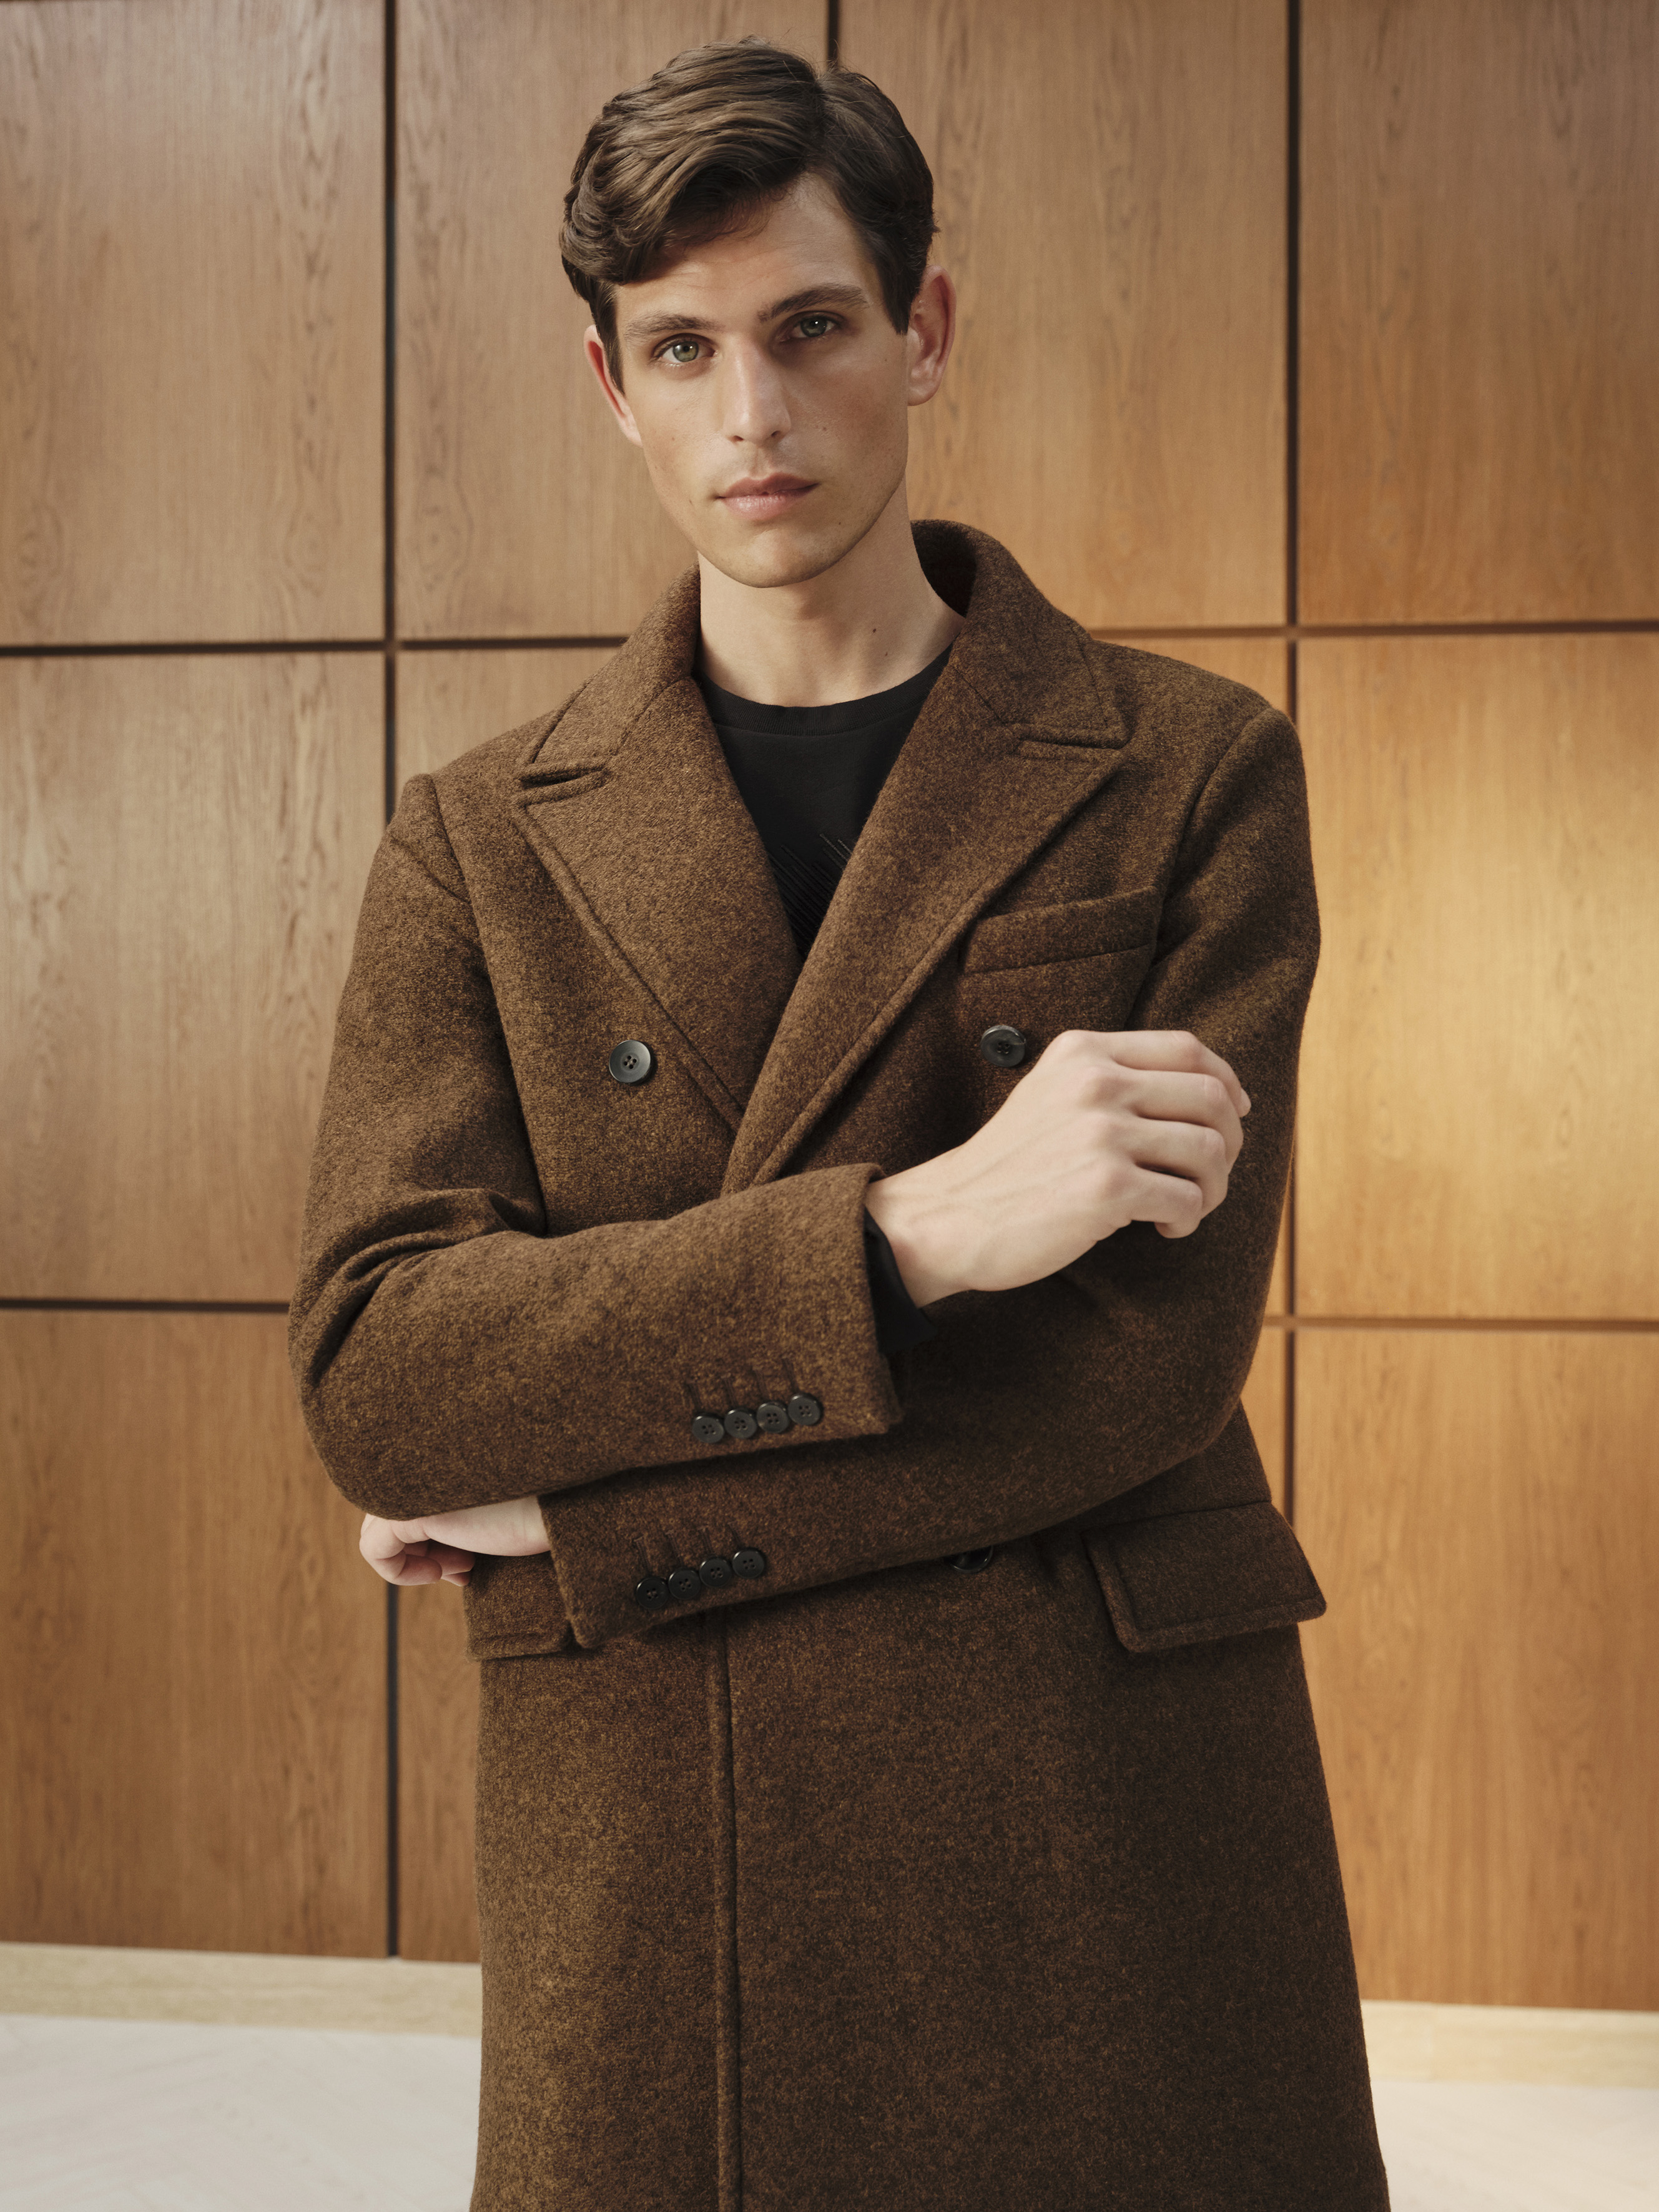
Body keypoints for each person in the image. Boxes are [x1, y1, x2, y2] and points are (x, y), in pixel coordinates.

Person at [290, 36, 1389, 2212]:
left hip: (1093, 1791)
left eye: (808, 328)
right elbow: (386, 1379)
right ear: (608, 384)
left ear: (923, 327)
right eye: (681, 349)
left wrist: (589, 1514)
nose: (752, 417)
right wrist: (910, 1238)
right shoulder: (481, 842)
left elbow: (1131, 1374)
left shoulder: (1182, 769)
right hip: (664, 1821)